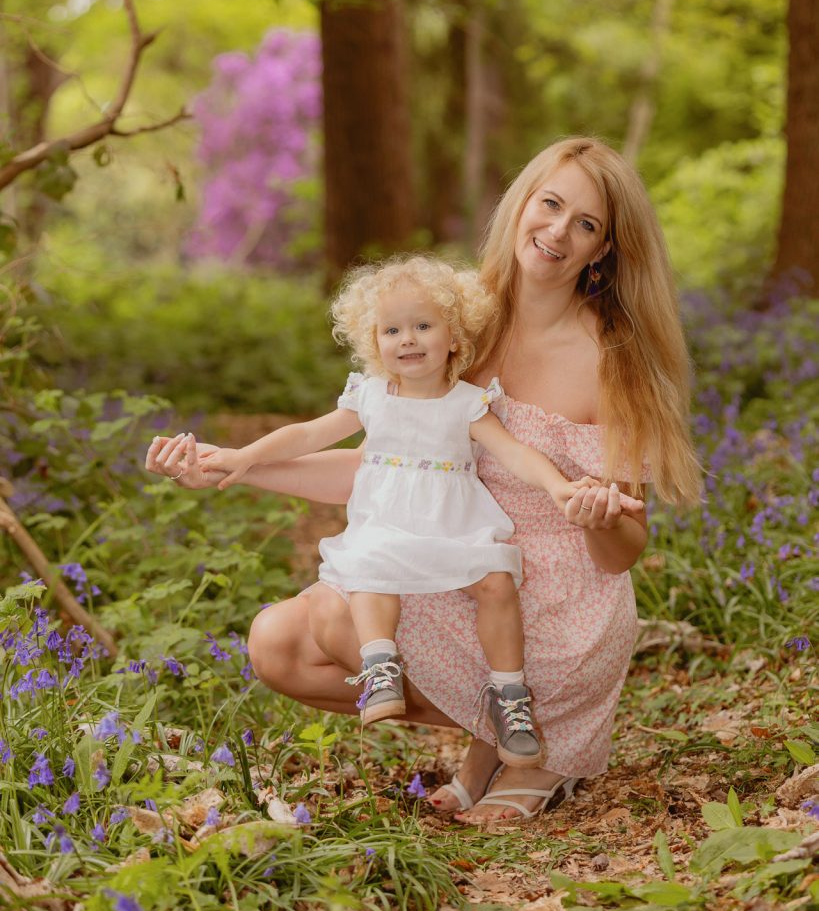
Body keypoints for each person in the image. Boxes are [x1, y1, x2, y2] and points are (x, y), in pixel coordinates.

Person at [147, 136, 701, 823]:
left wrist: (597, 518)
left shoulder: (608, 358)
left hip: (557, 602)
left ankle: (545, 745)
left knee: (332, 613)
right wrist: (237, 466)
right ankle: (497, 735)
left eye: (585, 224)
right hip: (453, 559)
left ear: (602, 251)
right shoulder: (454, 319)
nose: (557, 231)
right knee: (278, 643)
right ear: (521, 202)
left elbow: (625, 549)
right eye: (550, 203)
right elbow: (391, 468)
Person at [190, 255, 643, 766]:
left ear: (453, 337)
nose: (407, 339)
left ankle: (507, 692)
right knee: (371, 572)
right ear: (373, 342)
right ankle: (379, 663)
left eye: (423, 326)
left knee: (495, 581)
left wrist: (562, 489)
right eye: (391, 330)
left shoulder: (468, 401)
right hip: (389, 524)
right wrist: (243, 457)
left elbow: (517, 454)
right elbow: (306, 434)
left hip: (453, 525)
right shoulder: (371, 396)